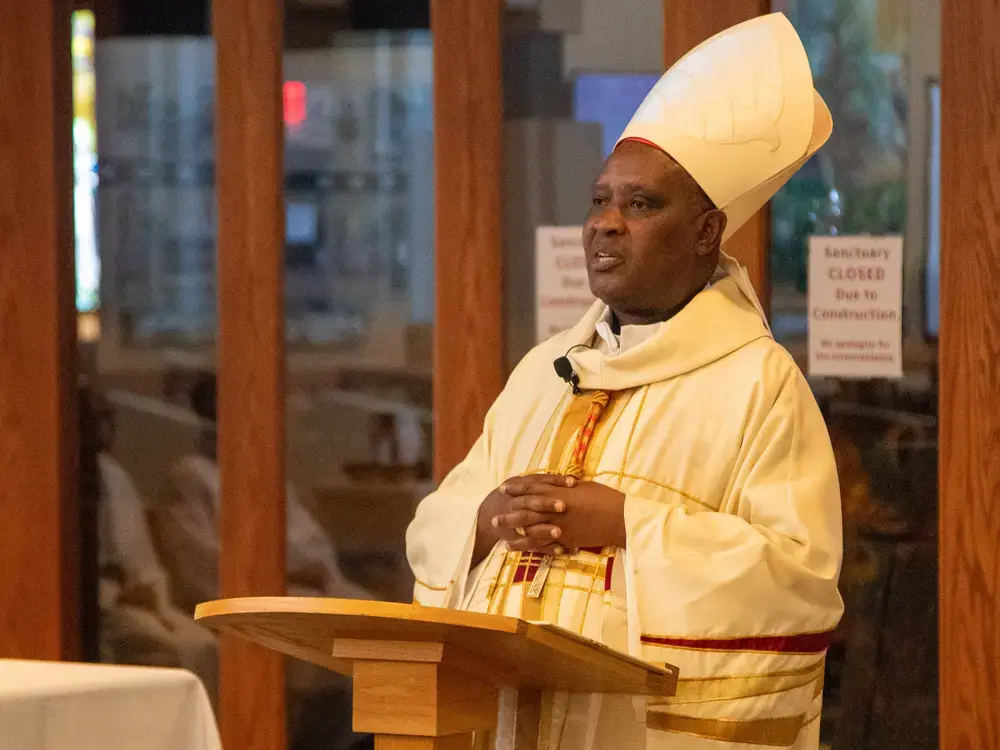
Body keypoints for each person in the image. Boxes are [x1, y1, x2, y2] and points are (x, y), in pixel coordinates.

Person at [407, 13, 843, 750]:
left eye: (640, 205)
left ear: (707, 231)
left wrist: (627, 527)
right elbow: (436, 523)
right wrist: (487, 522)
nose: (606, 224)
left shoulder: (758, 385)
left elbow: (797, 582)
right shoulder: (544, 374)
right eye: (599, 201)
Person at [152, 370, 371, 750]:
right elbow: (197, 561)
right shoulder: (192, 475)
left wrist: (318, 573)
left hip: (308, 587)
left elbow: (313, 544)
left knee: (381, 624)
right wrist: (285, 571)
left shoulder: (266, 475)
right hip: (258, 595)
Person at [81, 386, 218, 700]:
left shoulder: (114, 476)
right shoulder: (58, 475)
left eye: (110, 419)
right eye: (97, 419)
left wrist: (148, 590)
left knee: (203, 645)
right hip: (104, 605)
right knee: (179, 652)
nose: (106, 429)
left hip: (140, 597)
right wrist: (115, 593)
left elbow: (138, 553)